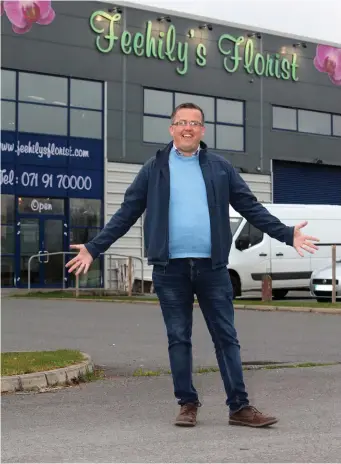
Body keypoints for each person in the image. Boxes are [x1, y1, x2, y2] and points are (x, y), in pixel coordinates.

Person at [66, 102, 319, 428]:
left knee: (226, 337)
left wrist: (286, 234)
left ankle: (239, 407)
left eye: (194, 123)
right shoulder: (153, 168)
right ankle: (187, 404)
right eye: (182, 122)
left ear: (202, 130)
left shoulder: (220, 167)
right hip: (169, 269)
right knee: (178, 337)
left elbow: (250, 207)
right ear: (172, 129)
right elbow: (127, 212)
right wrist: (94, 247)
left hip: (212, 268)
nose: (188, 128)